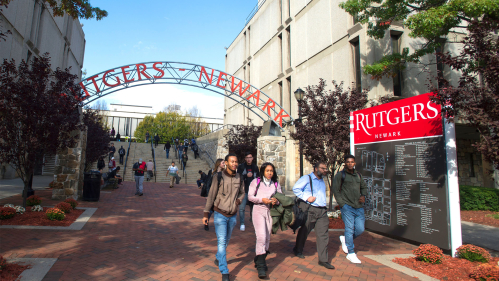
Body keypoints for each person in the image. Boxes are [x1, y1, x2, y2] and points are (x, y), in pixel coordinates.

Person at [202, 153, 245, 281]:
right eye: (232, 161)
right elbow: (211, 196)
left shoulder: (240, 177)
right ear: (226, 163)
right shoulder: (218, 177)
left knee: (226, 240)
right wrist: (206, 214)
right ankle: (224, 271)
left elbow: (243, 192)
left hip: (232, 215)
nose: (234, 164)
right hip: (220, 213)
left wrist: (238, 201)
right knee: (221, 241)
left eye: (236, 161)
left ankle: (218, 257)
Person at [292, 161, 335, 270]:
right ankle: (298, 249)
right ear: (315, 168)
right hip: (310, 209)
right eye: (322, 168)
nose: (325, 170)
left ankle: (323, 260)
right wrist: (307, 197)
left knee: (323, 235)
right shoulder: (307, 178)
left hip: (322, 211)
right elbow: (296, 188)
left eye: (325, 169)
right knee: (304, 231)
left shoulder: (322, 180)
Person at [248, 162, 282, 279]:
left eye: (271, 171)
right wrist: (262, 200)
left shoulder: (275, 184)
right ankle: (261, 266)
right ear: (262, 171)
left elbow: (280, 198)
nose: (269, 173)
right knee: (261, 236)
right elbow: (250, 197)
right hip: (258, 211)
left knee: (267, 238)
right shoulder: (256, 182)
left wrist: (275, 201)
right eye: (267, 171)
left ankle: (259, 258)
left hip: (270, 212)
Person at [333, 155, 367, 264]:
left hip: (359, 206)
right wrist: (342, 204)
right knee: (349, 228)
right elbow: (336, 190)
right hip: (347, 206)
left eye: (352, 162)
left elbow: (364, 187)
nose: (350, 164)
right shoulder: (340, 175)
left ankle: (345, 239)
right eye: (348, 162)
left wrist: (363, 196)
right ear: (345, 163)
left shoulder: (358, 175)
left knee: (360, 229)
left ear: (355, 163)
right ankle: (351, 253)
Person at [237, 152, 259, 231]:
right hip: (244, 191)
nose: (249, 159)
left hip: (253, 191)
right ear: (245, 158)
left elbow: (259, 178)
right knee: (241, 208)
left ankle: (253, 221)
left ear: (252, 158)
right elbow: (238, 177)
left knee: (253, 208)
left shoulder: (255, 167)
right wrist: (246, 175)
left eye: (250, 157)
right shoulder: (241, 167)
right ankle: (242, 224)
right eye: (247, 157)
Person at [201, 158, 225, 231]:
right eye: (223, 163)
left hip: (220, 196)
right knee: (210, 210)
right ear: (219, 164)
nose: (224, 164)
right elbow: (208, 184)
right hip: (212, 194)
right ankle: (206, 223)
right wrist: (208, 195)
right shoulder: (211, 172)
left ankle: (220, 226)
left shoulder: (224, 173)